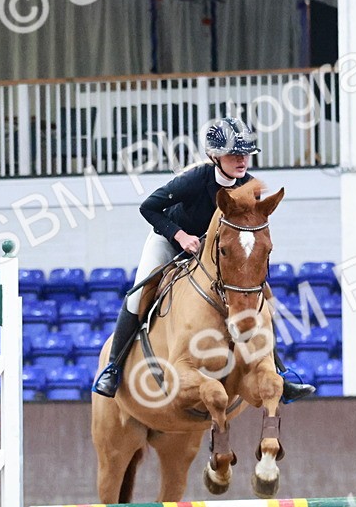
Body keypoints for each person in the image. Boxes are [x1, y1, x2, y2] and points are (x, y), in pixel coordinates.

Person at [92, 117, 316, 402]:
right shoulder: (194, 180)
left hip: (213, 251)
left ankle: (279, 370)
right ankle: (113, 368)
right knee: (137, 295)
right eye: (234, 154)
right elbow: (148, 207)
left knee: (260, 299)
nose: (242, 161)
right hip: (170, 240)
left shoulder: (250, 186)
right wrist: (180, 236)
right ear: (215, 156)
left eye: (245, 154)